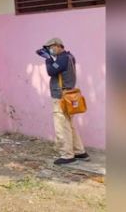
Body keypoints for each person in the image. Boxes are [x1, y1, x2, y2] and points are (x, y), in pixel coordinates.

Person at [38, 37, 89, 165]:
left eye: (51, 47)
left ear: (59, 45)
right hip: (69, 95)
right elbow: (58, 69)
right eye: (48, 48)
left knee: (61, 125)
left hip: (61, 96)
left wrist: (48, 59)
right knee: (70, 125)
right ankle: (79, 151)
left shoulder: (62, 58)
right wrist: (51, 58)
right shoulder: (70, 57)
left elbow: (51, 71)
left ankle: (67, 155)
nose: (50, 50)